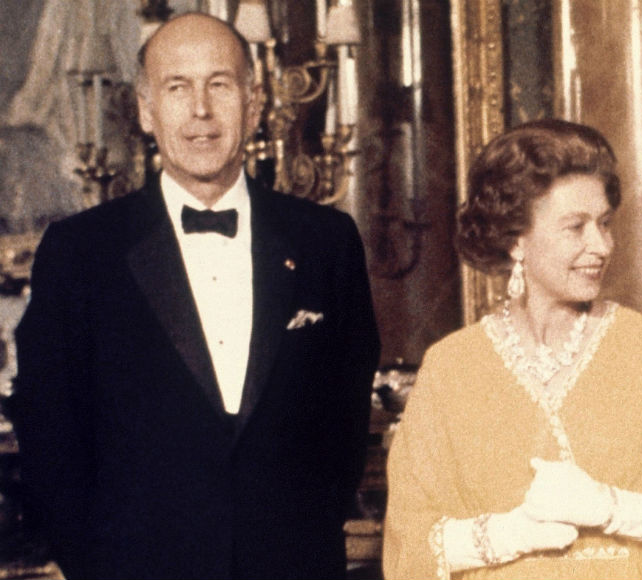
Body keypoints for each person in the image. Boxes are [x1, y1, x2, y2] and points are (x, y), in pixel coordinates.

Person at [6, 13, 381, 579]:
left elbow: (346, 424)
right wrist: (96, 565)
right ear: (145, 110)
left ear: (254, 105)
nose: (200, 110)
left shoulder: (326, 242)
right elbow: (48, 431)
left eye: (220, 85)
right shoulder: (80, 252)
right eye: (177, 88)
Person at [382, 119, 642, 580]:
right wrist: (509, 534)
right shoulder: (452, 367)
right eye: (575, 227)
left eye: (604, 223)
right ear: (516, 239)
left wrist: (611, 508)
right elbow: (409, 540)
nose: (600, 245)